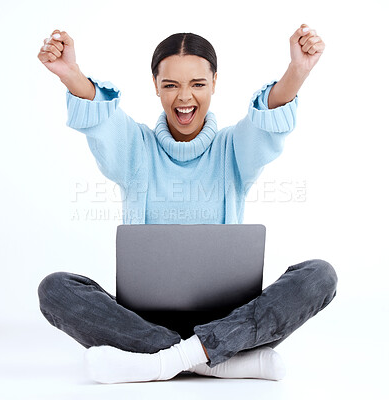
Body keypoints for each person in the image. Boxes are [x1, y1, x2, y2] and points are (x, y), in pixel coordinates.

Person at [37, 25, 338, 384]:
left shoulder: (233, 149)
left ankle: (168, 360)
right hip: (142, 322)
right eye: (171, 85)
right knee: (55, 288)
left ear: (214, 83)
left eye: (197, 84)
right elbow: (103, 121)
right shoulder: (136, 148)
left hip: (230, 320)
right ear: (155, 85)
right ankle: (213, 359)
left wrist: (298, 71)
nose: (185, 97)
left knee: (319, 276)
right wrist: (71, 74)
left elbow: (267, 122)